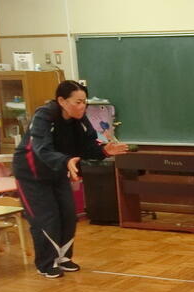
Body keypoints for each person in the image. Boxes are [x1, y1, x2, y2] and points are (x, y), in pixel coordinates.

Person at [12, 80, 128, 278]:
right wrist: (65, 161)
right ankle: (46, 263)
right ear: (62, 101)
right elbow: (42, 149)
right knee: (46, 217)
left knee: (67, 214)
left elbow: (88, 147)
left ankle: (63, 257)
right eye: (78, 102)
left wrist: (104, 151)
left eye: (84, 102)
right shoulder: (44, 116)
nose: (82, 106)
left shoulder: (80, 120)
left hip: (59, 170)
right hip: (31, 175)